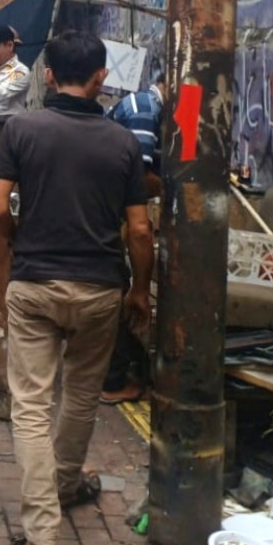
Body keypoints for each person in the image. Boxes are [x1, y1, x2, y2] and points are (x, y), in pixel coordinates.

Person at [0, 30, 153, 545]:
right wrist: (140, 291)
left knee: (30, 407)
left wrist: (16, 241)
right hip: (101, 289)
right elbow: (140, 231)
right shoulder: (124, 144)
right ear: (101, 77)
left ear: (49, 76)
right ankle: (65, 484)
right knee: (80, 397)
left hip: (35, 284)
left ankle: (41, 537)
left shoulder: (21, 129)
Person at [101, 74, 166, 405]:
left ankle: (115, 372)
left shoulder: (174, 109)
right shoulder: (144, 108)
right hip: (107, 214)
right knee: (118, 287)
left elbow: (185, 161)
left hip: (112, 213)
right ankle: (113, 380)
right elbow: (140, 179)